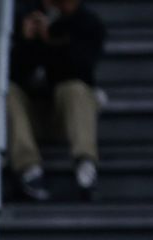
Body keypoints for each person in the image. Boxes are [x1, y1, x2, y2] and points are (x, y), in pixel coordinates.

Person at [7, 0, 107, 201]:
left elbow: (82, 71)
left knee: (76, 90)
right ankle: (28, 168)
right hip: (28, 117)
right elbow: (11, 74)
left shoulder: (88, 23)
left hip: (66, 117)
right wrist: (26, 42)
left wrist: (51, 40)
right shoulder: (23, 17)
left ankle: (85, 163)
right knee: (8, 92)